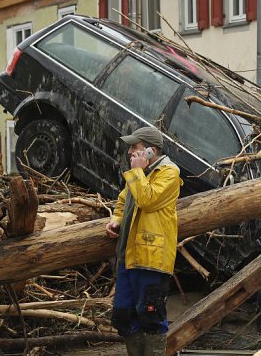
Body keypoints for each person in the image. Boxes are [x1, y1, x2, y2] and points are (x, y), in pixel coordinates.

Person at [105, 126, 183, 356]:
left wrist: (138, 171)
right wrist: (116, 219)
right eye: (130, 148)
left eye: (135, 148)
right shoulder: (140, 174)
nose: (130, 152)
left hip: (151, 257)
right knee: (123, 316)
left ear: (151, 150)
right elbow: (123, 199)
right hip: (129, 256)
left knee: (151, 317)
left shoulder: (169, 173)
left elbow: (147, 200)